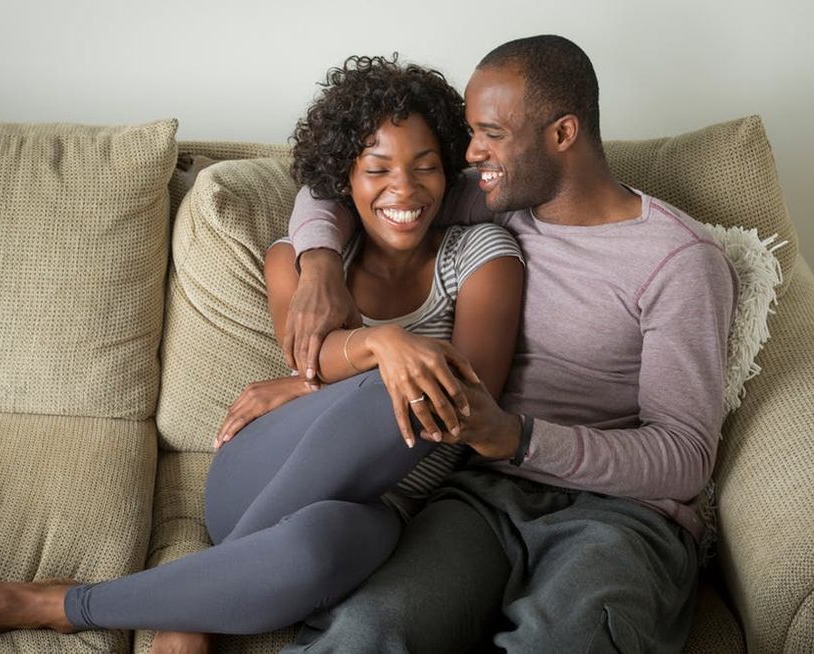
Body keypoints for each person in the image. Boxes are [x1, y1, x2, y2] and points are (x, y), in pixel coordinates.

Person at [0, 55, 524, 652]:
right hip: (263, 475)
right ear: (345, 177)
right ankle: (71, 607)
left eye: (426, 167)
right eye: (378, 169)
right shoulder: (298, 261)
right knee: (401, 380)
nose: (405, 189)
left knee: (324, 540)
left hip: (390, 505)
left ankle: (181, 604)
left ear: (449, 172)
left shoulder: (482, 256)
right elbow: (315, 360)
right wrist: (382, 343)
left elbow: (465, 411)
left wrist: (329, 373)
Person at [280, 35, 739, 653]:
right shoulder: (495, 200)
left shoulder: (679, 262)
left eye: (489, 133)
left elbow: (685, 458)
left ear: (562, 133)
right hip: (479, 500)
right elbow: (333, 183)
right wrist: (319, 266)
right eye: (470, 134)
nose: (470, 153)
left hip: (622, 518)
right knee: (366, 633)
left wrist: (517, 438)